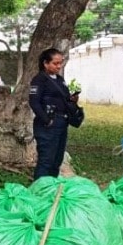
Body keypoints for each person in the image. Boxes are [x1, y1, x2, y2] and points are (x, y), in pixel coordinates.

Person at [28, 48, 80, 179]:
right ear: (46, 63)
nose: (59, 66)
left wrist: (72, 100)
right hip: (48, 125)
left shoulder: (59, 80)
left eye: (60, 63)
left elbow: (62, 98)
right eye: (55, 63)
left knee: (57, 160)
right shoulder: (39, 80)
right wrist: (47, 120)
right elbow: (34, 102)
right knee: (46, 160)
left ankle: (51, 187)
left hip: (62, 123)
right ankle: (40, 190)